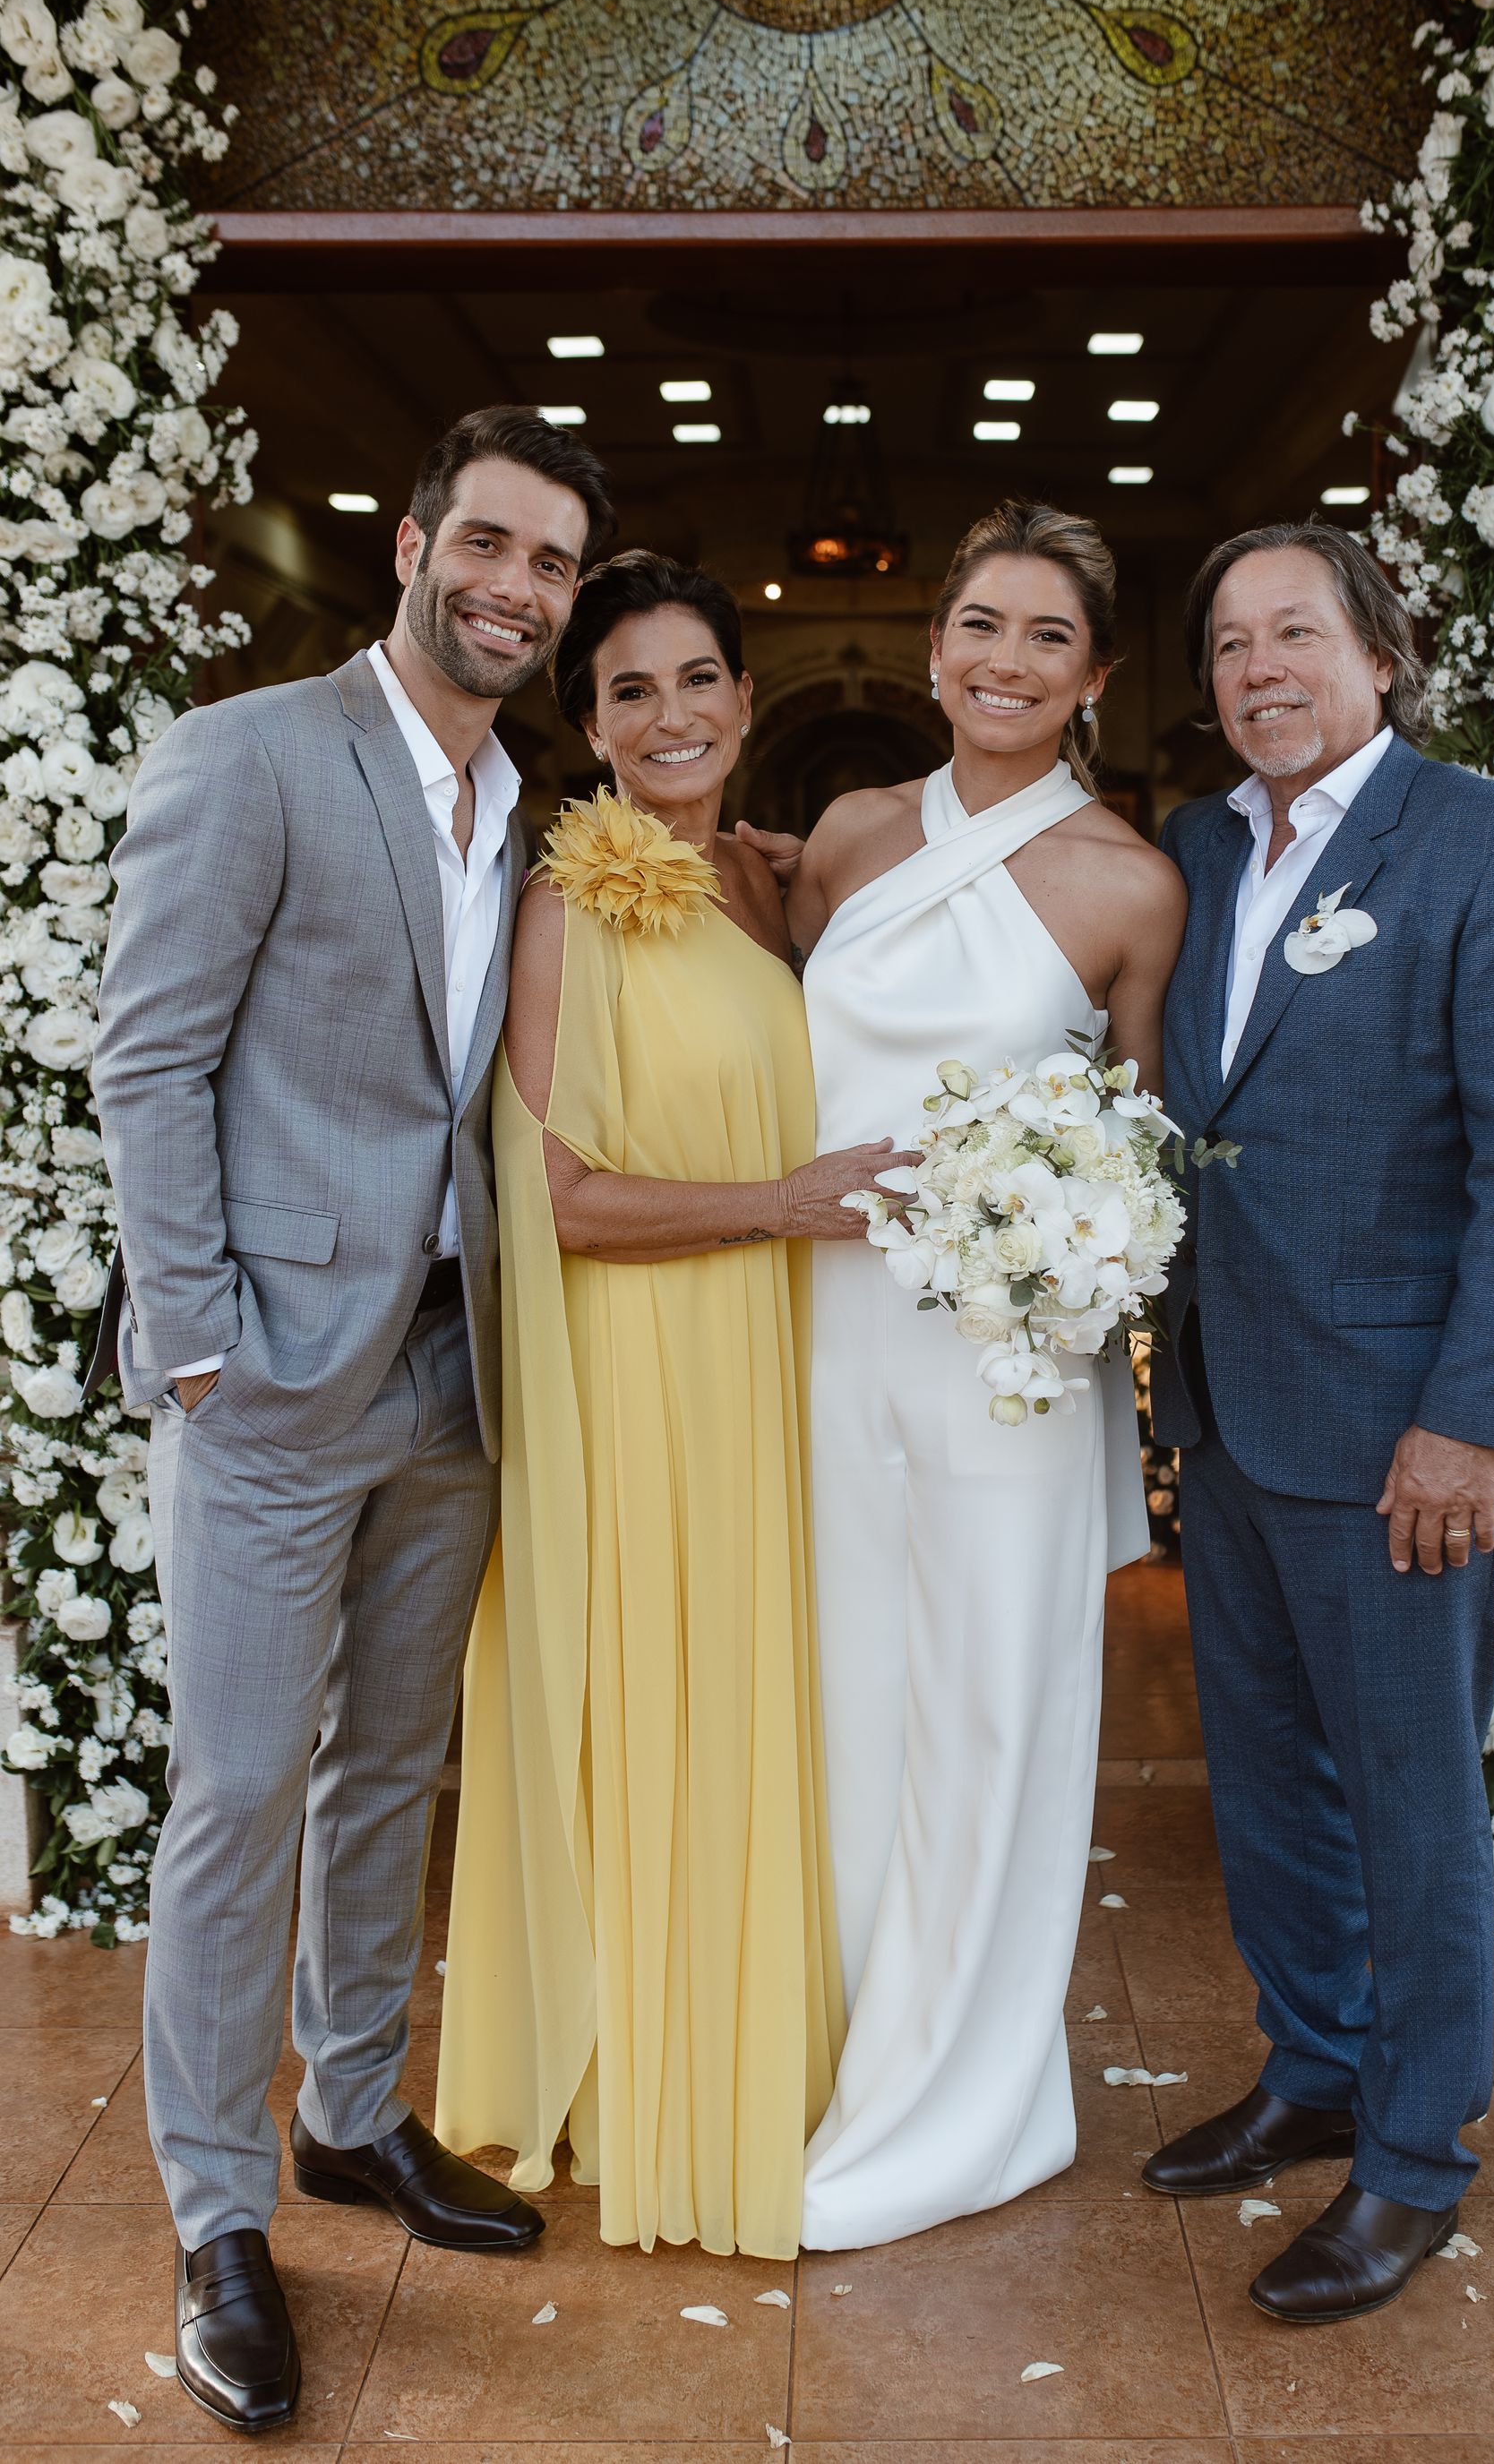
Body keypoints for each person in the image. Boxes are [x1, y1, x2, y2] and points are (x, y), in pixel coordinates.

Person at [90, 407, 614, 2432]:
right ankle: (220, 2211)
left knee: (393, 1766)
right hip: (272, 1377)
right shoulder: (251, 756)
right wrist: (199, 1346)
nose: (514, 585)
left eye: (550, 562)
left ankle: (352, 2113)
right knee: (238, 1791)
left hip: (452, 1366)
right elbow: (148, 1060)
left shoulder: (524, 798)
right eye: (488, 541)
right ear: (412, 543)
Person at [1144, 521, 1494, 2322]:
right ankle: (1316, 2066)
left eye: (1296, 633)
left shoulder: (1480, 842)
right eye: (1230, 643)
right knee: (1267, 1782)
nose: (1260, 668)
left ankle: (1414, 2154)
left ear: (1380, 655)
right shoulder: (1200, 848)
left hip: (1401, 1428)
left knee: (1410, 1805)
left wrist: (1472, 1421)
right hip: (1230, 1411)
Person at [434, 553, 900, 2260]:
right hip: (643, 1377)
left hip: (780, 1361)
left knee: (772, 1695)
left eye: (698, 677)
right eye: (629, 689)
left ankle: (766, 2052)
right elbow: (553, 1195)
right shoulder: (571, 905)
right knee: (661, 1706)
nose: (672, 713)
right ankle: (656, 2084)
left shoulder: (776, 882)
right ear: (590, 727)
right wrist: (783, 1203)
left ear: (748, 699)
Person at [786, 499, 1186, 2251]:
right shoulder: (849, 839)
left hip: (1011, 1368)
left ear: (1096, 676)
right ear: (932, 646)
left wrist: (1074, 1244)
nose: (1004, 662)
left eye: (1046, 637)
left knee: (993, 1713)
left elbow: (1144, 1145)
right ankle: (841, 2057)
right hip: (826, 1336)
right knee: (848, 1701)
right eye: (979, 625)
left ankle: (966, 2103)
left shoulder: (1132, 884)